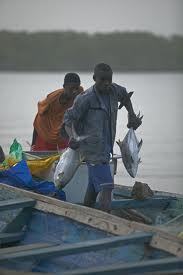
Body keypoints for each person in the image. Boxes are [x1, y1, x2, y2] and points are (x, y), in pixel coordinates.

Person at [63, 63, 142, 212]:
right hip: (92, 151)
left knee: (93, 189)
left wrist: (131, 114)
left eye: (109, 80)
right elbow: (68, 119)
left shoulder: (114, 91)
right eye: (102, 80)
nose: (106, 83)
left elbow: (125, 96)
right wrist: (72, 136)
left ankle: (85, 215)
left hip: (107, 149)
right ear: (94, 78)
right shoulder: (85, 98)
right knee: (107, 186)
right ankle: (106, 221)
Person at [31, 73, 83, 151]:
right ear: (64, 87)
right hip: (46, 135)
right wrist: (33, 144)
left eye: (76, 88)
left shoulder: (80, 94)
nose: (74, 91)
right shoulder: (52, 99)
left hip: (62, 137)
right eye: (71, 89)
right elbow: (38, 121)